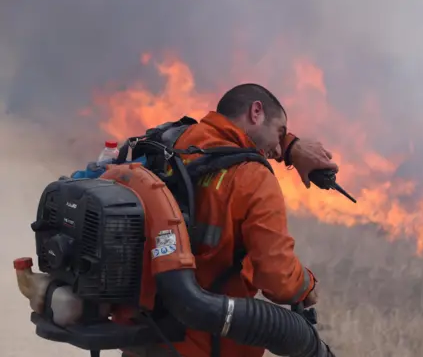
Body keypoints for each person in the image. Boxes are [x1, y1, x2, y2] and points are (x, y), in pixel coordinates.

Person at [121, 83, 337, 357]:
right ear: (256, 111)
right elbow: (278, 278)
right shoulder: (253, 178)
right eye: (279, 134)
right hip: (204, 345)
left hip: (142, 338)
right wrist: (305, 283)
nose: (277, 151)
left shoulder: (171, 142)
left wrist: (291, 145)